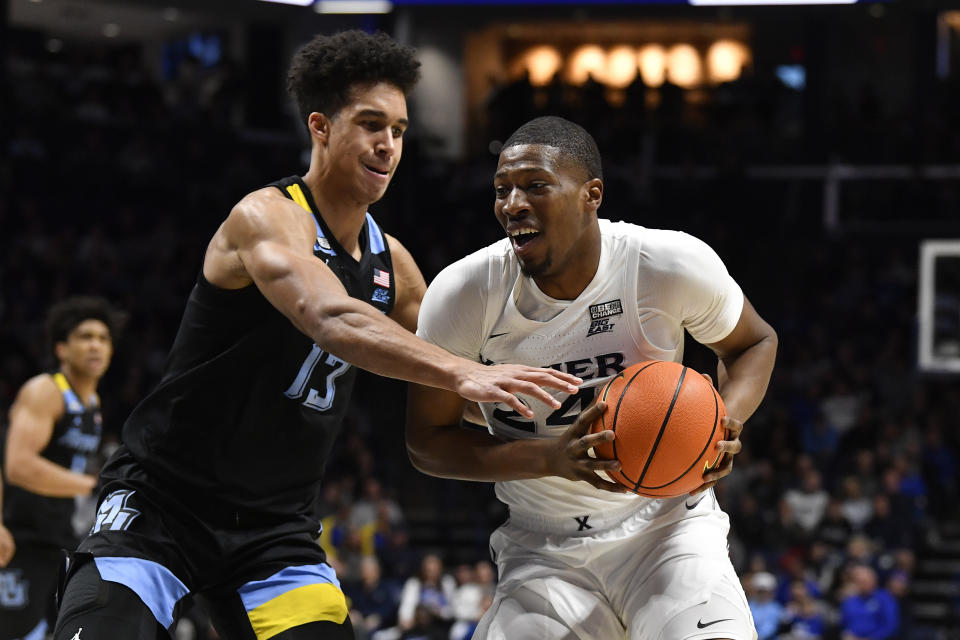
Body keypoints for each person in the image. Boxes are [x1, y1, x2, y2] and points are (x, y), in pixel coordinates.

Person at [52, 32, 578, 640]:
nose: (388, 146)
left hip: (275, 532)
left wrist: (568, 429)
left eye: (400, 131)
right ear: (321, 127)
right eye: (371, 124)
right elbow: (331, 315)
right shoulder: (266, 217)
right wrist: (463, 372)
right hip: (164, 506)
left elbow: (483, 369)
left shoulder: (393, 264)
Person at [406, 116, 778, 639]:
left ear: (591, 194)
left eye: (535, 185)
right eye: (502, 190)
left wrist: (725, 419)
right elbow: (426, 442)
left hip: (668, 529)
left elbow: (754, 342)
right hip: (543, 549)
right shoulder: (464, 293)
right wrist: (548, 458)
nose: (512, 203)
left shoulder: (665, 263)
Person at [1, 296, 120, 640]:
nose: (96, 345)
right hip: (19, 540)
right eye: (85, 337)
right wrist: (92, 484)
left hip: (58, 540)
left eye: (103, 338)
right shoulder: (45, 391)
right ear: (62, 349)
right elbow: (16, 465)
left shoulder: (93, 403)